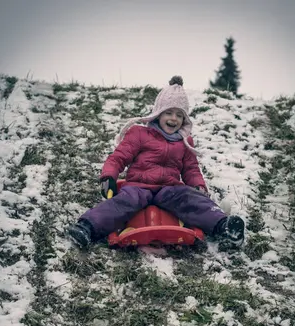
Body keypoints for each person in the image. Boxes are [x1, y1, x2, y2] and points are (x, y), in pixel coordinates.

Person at [68, 76, 245, 249]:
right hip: (139, 186)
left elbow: (191, 169)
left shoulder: (185, 142)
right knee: (123, 202)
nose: (173, 118)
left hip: (169, 189)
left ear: (184, 119)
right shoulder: (139, 133)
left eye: (179, 115)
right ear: (158, 114)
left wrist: (198, 186)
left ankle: (224, 227)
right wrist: (108, 176)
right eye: (168, 112)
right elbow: (119, 157)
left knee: (191, 200)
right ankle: (88, 227)